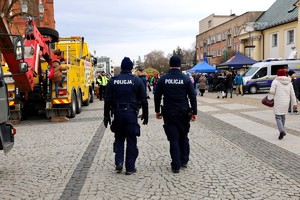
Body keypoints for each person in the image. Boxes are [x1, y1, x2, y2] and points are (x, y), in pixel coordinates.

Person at [103, 57, 148, 175]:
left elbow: (107, 100)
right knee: (131, 139)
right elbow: (144, 99)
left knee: (119, 137)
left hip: (117, 113)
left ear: (122, 67)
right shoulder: (136, 80)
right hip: (131, 114)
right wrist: (146, 114)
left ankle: (119, 162)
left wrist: (106, 115)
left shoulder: (113, 80)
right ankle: (130, 167)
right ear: (131, 68)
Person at [154, 55, 197, 173]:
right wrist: (194, 111)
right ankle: (184, 160)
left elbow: (157, 96)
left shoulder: (163, 79)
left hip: (169, 112)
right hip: (183, 113)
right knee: (183, 136)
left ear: (170, 64)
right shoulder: (186, 79)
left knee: (173, 139)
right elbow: (192, 96)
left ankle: (176, 165)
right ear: (180, 64)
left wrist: (157, 110)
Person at [269, 69, 297, 140]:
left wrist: (270, 98)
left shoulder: (275, 81)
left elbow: (272, 91)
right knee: (283, 117)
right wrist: (294, 103)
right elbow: (292, 94)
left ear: (278, 74)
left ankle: (281, 131)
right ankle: (282, 130)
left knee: (278, 117)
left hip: (278, 101)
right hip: (286, 102)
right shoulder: (289, 82)